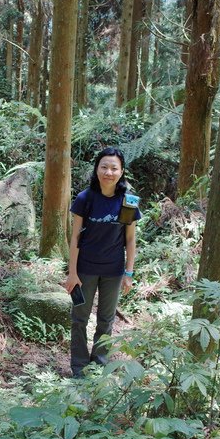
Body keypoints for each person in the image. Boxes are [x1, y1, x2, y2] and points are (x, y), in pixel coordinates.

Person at [64, 147, 139, 379]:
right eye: (104, 167)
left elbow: (130, 239)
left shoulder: (128, 201)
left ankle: (98, 364)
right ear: (97, 169)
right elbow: (75, 237)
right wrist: (72, 273)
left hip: (113, 272)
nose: (109, 172)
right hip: (84, 270)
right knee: (79, 319)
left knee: (106, 320)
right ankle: (78, 367)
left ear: (122, 171)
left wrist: (129, 272)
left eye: (114, 168)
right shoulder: (85, 198)